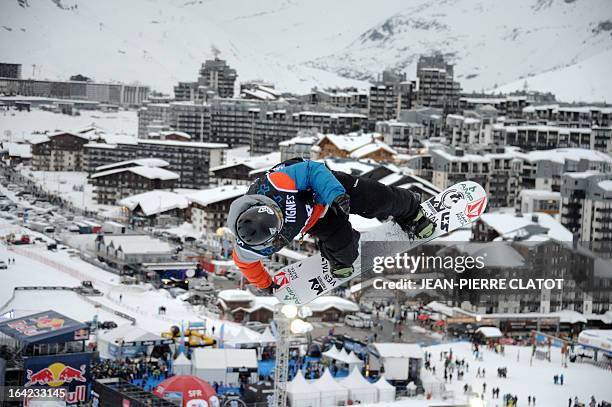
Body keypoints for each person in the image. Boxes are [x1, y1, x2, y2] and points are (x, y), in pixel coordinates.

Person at [227, 158, 434, 291]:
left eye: (278, 215)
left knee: (375, 198)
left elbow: (312, 170)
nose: (282, 217)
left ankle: (411, 211)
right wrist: (266, 284)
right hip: (315, 218)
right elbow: (246, 265)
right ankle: (340, 258)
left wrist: (336, 195)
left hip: (324, 187)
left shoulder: (276, 185)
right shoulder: (249, 248)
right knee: (344, 249)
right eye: (280, 224)